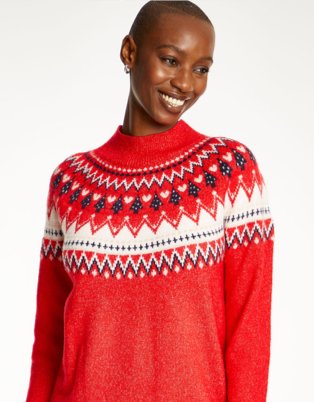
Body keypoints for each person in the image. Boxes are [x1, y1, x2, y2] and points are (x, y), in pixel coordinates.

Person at [25, 1, 275, 401]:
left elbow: (250, 335)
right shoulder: (71, 182)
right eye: (171, 60)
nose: (185, 83)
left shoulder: (228, 171)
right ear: (129, 52)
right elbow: (49, 341)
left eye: (201, 69)